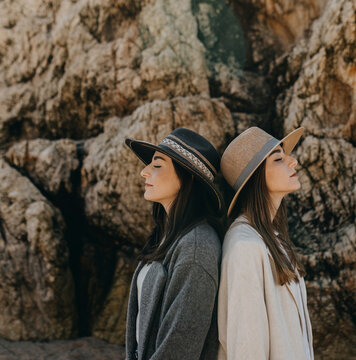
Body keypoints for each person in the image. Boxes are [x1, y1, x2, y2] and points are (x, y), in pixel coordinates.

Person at [125, 128, 224, 360]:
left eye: (157, 165)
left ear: (188, 177)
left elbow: (180, 347)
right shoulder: (167, 235)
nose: (144, 171)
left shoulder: (197, 248)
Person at [217, 126, 314, 360]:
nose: (293, 162)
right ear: (256, 177)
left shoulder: (271, 239)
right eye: (278, 159)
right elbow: (247, 346)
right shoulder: (245, 247)